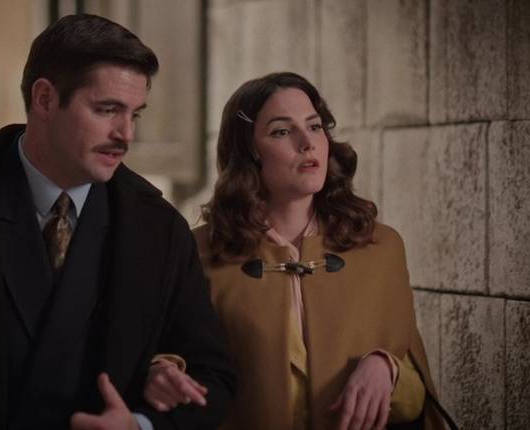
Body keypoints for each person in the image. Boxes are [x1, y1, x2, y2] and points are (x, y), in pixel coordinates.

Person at [0, 14, 234, 430]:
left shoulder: (160, 228)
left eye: (134, 114)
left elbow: (214, 379)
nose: (126, 134)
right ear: (45, 99)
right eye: (107, 110)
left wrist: (140, 425)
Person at [143, 72, 452, 430]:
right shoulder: (197, 252)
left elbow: (415, 386)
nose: (307, 143)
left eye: (315, 126)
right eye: (281, 131)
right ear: (250, 150)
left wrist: (386, 367)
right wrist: (159, 369)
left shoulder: (381, 247)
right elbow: (170, 353)